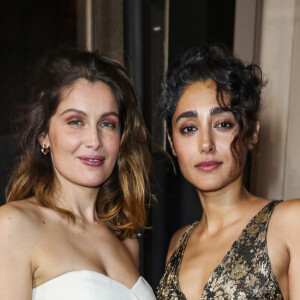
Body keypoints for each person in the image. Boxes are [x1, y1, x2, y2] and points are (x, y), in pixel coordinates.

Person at [0, 48, 156, 300]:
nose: (94, 140)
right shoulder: (13, 225)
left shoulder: (127, 241)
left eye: (107, 124)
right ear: (44, 136)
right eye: (75, 121)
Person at [156, 44, 300, 299]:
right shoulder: (178, 244)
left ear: (252, 132)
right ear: (172, 142)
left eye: (222, 124)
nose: (205, 144)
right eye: (189, 128)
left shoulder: (290, 222)